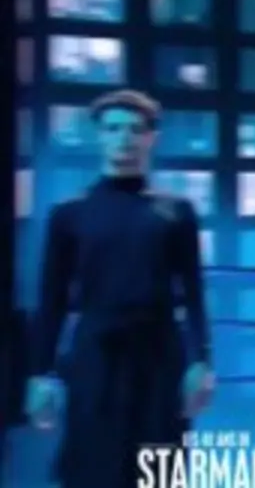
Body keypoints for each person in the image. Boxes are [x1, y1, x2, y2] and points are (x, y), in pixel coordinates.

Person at [24, 89, 215, 488]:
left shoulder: (176, 211)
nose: (124, 138)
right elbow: (51, 299)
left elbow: (194, 292)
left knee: (160, 472)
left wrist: (201, 361)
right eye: (113, 128)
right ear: (99, 135)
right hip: (95, 357)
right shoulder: (70, 214)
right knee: (94, 467)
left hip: (160, 356)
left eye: (134, 129)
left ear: (151, 137)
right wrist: (39, 373)